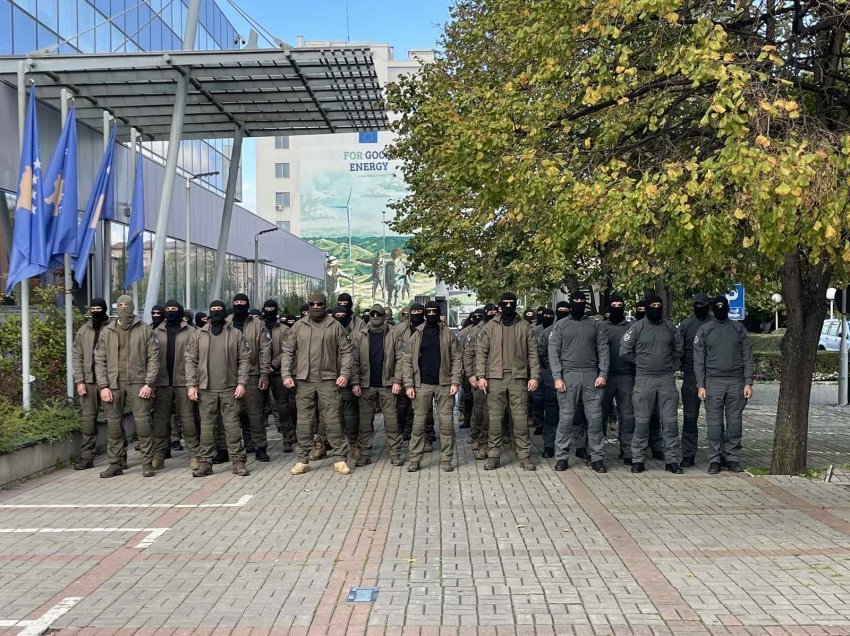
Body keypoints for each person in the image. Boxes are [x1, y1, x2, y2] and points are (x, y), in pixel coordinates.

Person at [282, 291, 354, 476]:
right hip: (304, 380)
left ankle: (339, 459)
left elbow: (347, 352)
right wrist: (286, 374)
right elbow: (288, 351)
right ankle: (302, 460)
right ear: (308, 305)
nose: (316, 307)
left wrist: (344, 374)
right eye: (312, 304)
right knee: (304, 422)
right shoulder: (299, 326)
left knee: (333, 420)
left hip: (328, 380)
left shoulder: (335, 326)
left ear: (325, 305)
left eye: (319, 304)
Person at [95, 295, 160, 478]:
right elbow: (99, 360)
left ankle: (147, 463)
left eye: (127, 305)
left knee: (143, 425)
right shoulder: (108, 331)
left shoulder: (145, 330)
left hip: (138, 384)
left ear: (132, 306)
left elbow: (153, 358)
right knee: (114, 427)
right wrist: (103, 386)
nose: (124, 308)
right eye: (120, 305)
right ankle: (115, 463)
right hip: (113, 385)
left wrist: (149, 383)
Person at [620, 294, 684, 474]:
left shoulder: (670, 327)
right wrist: (640, 362)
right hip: (644, 379)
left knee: (670, 422)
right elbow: (624, 351)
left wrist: (669, 364)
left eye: (659, 305)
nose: (656, 307)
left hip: (666, 380)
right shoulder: (637, 328)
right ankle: (637, 459)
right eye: (653, 305)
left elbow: (679, 349)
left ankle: (672, 460)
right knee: (641, 422)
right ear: (647, 307)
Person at [475, 292, 539, 471]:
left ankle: (524, 456)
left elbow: (533, 353)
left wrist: (534, 376)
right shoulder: (490, 326)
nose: (509, 306)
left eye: (512, 303)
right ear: (500, 305)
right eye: (506, 303)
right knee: (494, 420)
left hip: (518, 378)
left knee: (520, 419)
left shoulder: (525, 326)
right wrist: (481, 376)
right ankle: (494, 455)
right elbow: (481, 352)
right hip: (495, 378)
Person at [186, 300, 251, 477]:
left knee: (232, 426)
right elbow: (190, 360)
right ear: (209, 312)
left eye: (219, 310)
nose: (216, 312)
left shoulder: (235, 334)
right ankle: (205, 462)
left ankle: (238, 461)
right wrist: (191, 384)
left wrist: (242, 382)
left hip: (230, 388)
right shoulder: (199, 335)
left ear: (224, 312)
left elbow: (244, 359)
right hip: (206, 389)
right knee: (207, 427)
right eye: (213, 309)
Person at [548, 291, 609, 473]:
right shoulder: (560, 325)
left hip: (592, 376)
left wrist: (603, 373)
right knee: (566, 419)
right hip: (568, 376)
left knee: (595, 419)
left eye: (582, 301)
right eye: (576, 301)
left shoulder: (595, 325)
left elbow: (603, 349)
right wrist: (557, 377)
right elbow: (553, 352)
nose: (579, 303)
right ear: (570, 302)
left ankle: (597, 457)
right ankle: (561, 457)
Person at [695, 295, 754, 474]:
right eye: (717, 307)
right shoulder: (705, 330)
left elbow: (747, 356)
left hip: (736, 382)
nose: (720, 309)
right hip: (713, 382)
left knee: (735, 423)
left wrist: (748, 382)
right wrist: (701, 385)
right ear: (713, 309)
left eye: (723, 306)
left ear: (727, 308)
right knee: (714, 424)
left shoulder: (738, 329)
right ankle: (715, 459)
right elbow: (699, 360)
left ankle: (733, 458)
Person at [402, 301, 462, 472]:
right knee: (418, 425)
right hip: (422, 385)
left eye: (434, 311)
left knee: (446, 425)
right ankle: (415, 460)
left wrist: (455, 381)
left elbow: (457, 357)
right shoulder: (417, 334)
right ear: (424, 314)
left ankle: (446, 460)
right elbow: (406, 359)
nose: (431, 314)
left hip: (444, 385)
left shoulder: (448, 334)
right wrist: (409, 385)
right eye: (428, 312)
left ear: (438, 313)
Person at [351, 304, 404, 466]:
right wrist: (355, 382)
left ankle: (395, 454)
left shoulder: (393, 333)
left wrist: (397, 380)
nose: (375, 316)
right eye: (372, 314)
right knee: (365, 423)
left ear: (383, 316)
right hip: (366, 385)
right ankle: (365, 454)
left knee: (392, 421)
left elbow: (401, 359)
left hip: (387, 385)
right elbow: (354, 361)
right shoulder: (361, 335)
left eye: (378, 314)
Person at [151, 300, 199, 471]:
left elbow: (196, 358)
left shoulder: (192, 332)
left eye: (174, 310)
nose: (171, 312)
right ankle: (159, 456)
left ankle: (194, 455)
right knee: (160, 421)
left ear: (180, 312)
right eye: (168, 309)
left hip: (183, 382)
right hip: (162, 382)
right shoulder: (156, 332)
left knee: (188, 420)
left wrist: (194, 382)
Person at [226, 294, 272, 462]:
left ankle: (260, 447)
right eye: (236, 303)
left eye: (242, 303)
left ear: (248, 305)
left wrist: (264, 373)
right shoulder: (227, 323)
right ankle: (243, 445)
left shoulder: (258, 324)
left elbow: (265, 350)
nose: (239, 305)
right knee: (234, 414)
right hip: (230, 376)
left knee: (255, 414)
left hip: (253, 375)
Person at [72, 298, 111, 470]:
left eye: (99, 308)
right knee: (88, 423)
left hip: (109, 383)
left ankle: (119, 457)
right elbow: (77, 356)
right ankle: (87, 457)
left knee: (114, 422)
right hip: (88, 383)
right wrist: (79, 381)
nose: (96, 311)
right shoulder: (83, 330)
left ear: (104, 309)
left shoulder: (112, 329)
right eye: (93, 308)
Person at [677, 293, 712, 466]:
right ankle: (688, 454)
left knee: (715, 418)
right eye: (696, 304)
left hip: (713, 375)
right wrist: (683, 367)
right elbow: (678, 348)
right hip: (691, 375)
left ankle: (718, 455)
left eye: (702, 304)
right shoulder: (686, 324)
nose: (699, 307)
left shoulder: (714, 323)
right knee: (690, 417)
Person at [601, 293, 636, 465]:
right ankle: (598, 452)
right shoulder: (600, 327)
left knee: (627, 415)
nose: (617, 307)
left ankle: (627, 451)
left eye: (619, 304)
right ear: (609, 307)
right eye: (613, 304)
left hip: (626, 376)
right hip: (604, 377)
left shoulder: (631, 327)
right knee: (600, 415)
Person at [397, 303, 436, 448]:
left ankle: (428, 436)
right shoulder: (400, 329)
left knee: (426, 409)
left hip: (424, 374)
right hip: (405, 372)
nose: (417, 313)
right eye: (414, 311)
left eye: (420, 311)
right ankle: (406, 433)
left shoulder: (430, 328)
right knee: (403, 407)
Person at [264, 299, 296, 454]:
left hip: (278, 373)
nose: (269, 310)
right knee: (255, 409)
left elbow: (288, 350)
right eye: (267, 308)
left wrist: (273, 365)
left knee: (283, 407)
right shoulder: (258, 327)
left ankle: (288, 439)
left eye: (272, 308)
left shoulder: (284, 329)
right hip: (260, 373)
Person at [331, 305, 361, 449]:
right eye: (337, 315)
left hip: (347, 380)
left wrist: (354, 382)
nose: (340, 317)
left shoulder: (352, 332)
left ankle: (353, 444)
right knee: (330, 416)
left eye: (343, 314)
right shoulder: (327, 331)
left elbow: (353, 360)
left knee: (350, 415)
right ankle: (325, 444)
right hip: (328, 380)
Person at [464, 306, 490, 456]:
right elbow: (468, 354)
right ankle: (477, 437)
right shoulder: (475, 331)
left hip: (497, 376)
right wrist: (471, 375)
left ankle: (490, 440)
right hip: (480, 377)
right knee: (480, 409)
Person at [535, 307, 558, 458]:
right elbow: (539, 353)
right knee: (550, 411)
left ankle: (579, 445)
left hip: (571, 376)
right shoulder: (544, 332)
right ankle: (549, 445)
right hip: (549, 377)